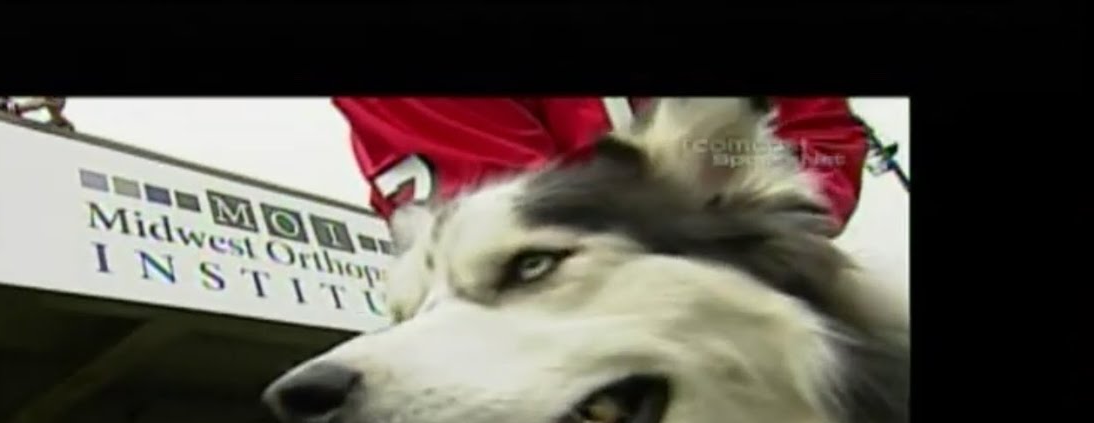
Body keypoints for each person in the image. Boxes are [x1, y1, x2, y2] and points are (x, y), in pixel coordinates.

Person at [332, 97, 869, 238]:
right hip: (541, 335)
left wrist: (779, 207)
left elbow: (819, 137)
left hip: (760, 273)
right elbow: (519, 222)